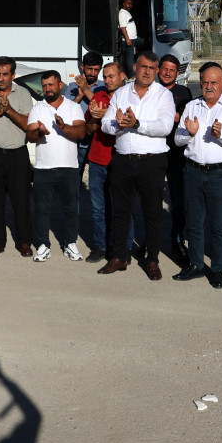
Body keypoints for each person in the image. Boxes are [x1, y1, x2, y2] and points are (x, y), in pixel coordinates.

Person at [97, 50, 175, 281]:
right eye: (144, 67)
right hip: (123, 160)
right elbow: (105, 124)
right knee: (121, 212)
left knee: (153, 214)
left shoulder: (163, 95)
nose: (148, 72)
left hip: (152, 161)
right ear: (135, 67)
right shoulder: (121, 93)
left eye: (153, 68)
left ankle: (152, 259)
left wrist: (137, 123)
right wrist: (120, 125)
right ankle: (120, 256)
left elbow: (165, 127)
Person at [171, 61, 222, 285]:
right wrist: (190, 133)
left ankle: (217, 269)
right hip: (193, 171)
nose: (209, 86)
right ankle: (195, 264)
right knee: (194, 222)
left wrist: (221, 134)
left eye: (214, 82)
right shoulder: (192, 106)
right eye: (205, 82)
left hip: (220, 174)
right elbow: (178, 139)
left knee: (219, 224)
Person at [26, 71, 86, 262]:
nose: (47, 89)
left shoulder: (73, 107)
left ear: (60, 85)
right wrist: (40, 132)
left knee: (70, 208)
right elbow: (30, 136)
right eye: (44, 86)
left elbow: (81, 133)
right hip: (44, 168)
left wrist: (64, 127)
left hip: (69, 166)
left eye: (51, 85)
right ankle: (43, 245)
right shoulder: (38, 109)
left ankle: (70, 243)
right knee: (42, 209)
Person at [0, 56, 35, 257]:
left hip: (17, 154)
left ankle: (24, 242)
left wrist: (8, 109)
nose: (0, 78)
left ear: (13, 75)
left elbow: (27, 125)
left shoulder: (23, 94)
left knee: (21, 200)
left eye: (5, 74)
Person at [82, 62, 125, 263]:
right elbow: (89, 131)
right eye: (105, 77)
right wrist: (95, 119)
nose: (107, 80)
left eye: (111, 76)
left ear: (122, 76)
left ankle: (122, 247)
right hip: (97, 160)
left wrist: (106, 116)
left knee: (122, 207)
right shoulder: (98, 97)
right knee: (98, 208)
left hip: (120, 161)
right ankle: (100, 246)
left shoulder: (129, 97)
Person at [159, 54, 193, 265]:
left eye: (172, 70)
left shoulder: (183, 92)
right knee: (150, 201)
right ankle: (148, 241)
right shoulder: (150, 91)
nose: (168, 73)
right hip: (153, 154)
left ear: (177, 73)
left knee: (178, 202)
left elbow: (182, 119)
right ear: (158, 70)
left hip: (176, 155)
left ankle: (178, 241)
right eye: (164, 69)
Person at [118, 0, 138, 77]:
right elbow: (123, 27)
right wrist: (127, 39)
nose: (130, 5)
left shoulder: (127, 12)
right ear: (124, 4)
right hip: (129, 39)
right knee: (129, 60)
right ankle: (131, 76)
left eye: (131, 4)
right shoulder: (122, 13)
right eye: (128, 3)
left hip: (134, 38)